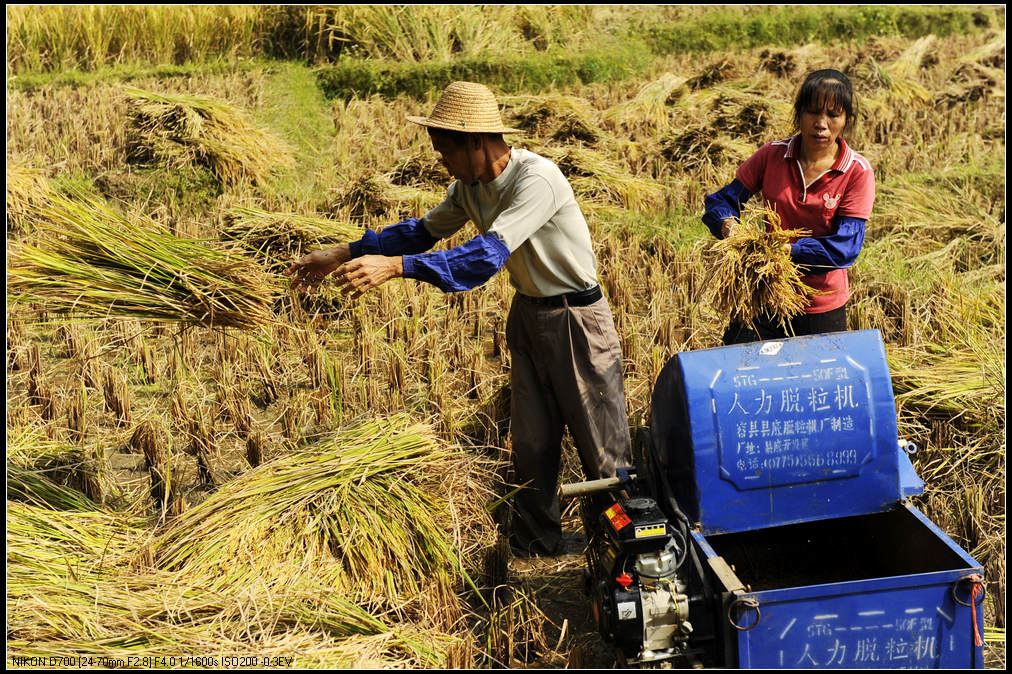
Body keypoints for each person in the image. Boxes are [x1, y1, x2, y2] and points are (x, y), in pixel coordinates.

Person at [286, 81, 632, 557]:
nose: (441, 162)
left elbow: (484, 257)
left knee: (603, 448)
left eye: (445, 151)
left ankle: (623, 548)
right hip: (529, 315)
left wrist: (397, 268)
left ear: (474, 141)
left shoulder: (537, 180)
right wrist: (341, 252)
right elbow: (419, 232)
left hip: (576, 319)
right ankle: (540, 545)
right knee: (531, 443)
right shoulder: (468, 189)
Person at [701, 69, 876, 344]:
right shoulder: (773, 155)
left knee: (819, 383)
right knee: (742, 375)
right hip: (763, 294)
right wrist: (728, 226)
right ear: (799, 114)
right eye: (813, 112)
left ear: (846, 120)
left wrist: (787, 251)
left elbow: (845, 247)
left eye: (833, 115)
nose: (821, 123)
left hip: (820, 304)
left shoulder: (856, 172)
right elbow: (721, 201)